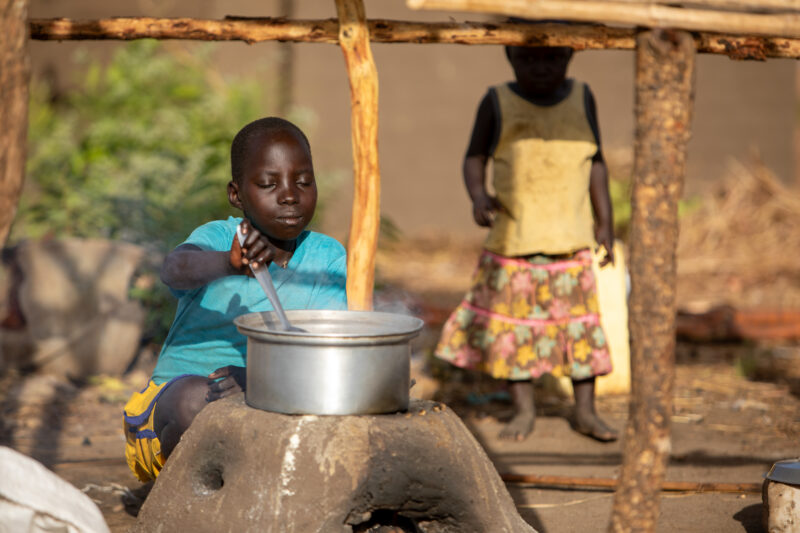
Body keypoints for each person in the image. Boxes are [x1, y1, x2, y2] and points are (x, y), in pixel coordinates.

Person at [123, 117, 348, 482]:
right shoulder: (219, 236)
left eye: (303, 181)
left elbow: (327, 347)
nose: (290, 194)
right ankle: (187, 499)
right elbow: (174, 268)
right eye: (268, 184)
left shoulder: (326, 257)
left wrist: (260, 381)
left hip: (273, 404)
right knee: (198, 401)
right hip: (172, 412)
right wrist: (226, 264)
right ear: (237, 194)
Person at [435, 44, 618, 442]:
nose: (540, 67)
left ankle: (586, 411)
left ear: (569, 56)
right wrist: (479, 196)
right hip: (515, 242)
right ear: (510, 56)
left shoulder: (583, 98)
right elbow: (474, 157)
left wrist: (605, 221)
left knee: (581, 331)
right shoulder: (496, 101)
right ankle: (524, 410)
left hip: (571, 242)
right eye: (529, 58)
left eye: (551, 58)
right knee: (517, 334)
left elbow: (597, 163)